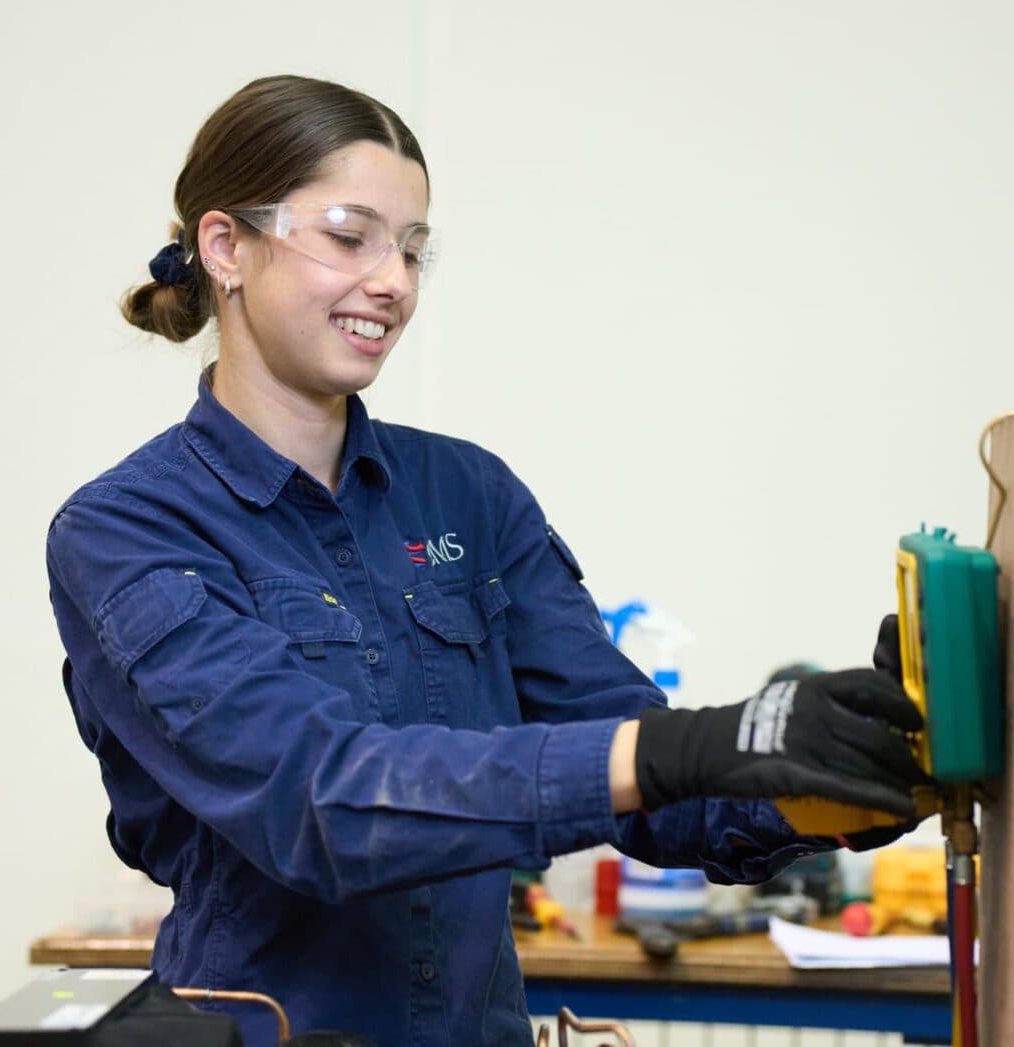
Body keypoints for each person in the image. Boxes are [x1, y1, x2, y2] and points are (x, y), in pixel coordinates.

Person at [45, 74, 926, 1046]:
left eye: (413, 249)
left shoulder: (469, 494)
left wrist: (832, 783)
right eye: (350, 236)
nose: (394, 281)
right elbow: (322, 804)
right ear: (225, 247)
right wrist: (689, 745)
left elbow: (639, 776)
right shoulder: (126, 529)